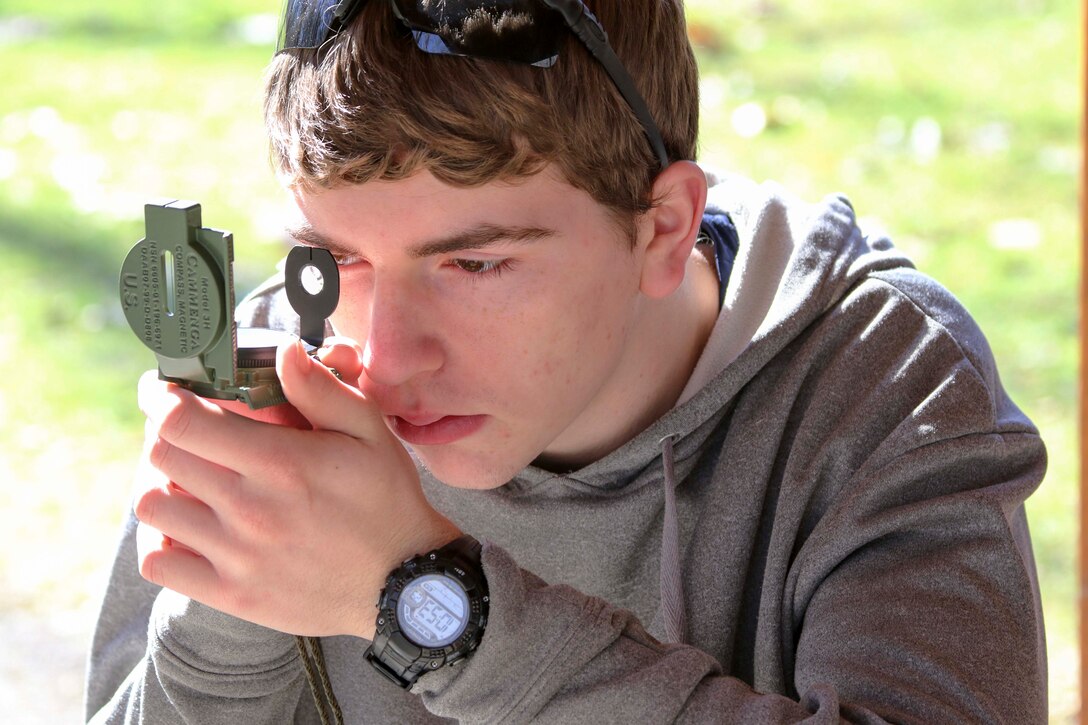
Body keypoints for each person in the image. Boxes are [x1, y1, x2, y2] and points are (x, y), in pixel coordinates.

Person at [85, 0, 1049, 722]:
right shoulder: (277, 368)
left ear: (662, 226)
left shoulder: (885, 388)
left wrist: (426, 598)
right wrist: (237, 594)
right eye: (338, 258)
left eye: (474, 262)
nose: (384, 359)